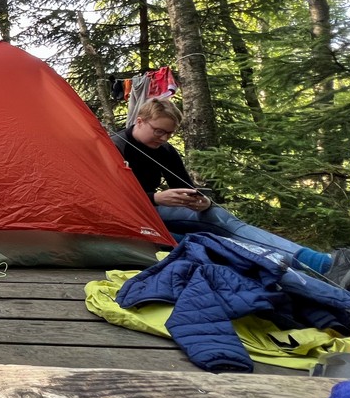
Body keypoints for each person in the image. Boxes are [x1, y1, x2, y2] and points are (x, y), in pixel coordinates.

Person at [111, 97, 332, 272]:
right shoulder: (115, 147)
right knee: (210, 240)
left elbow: (184, 186)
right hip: (130, 218)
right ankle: (308, 267)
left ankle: (319, 262)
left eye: (170, 133)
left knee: (220, 218)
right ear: (139, 121)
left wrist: (202, 201)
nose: (164, 138)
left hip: (157, 211)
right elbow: (107, 201)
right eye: (158, 131)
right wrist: (155, 198)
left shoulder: (166, 150)